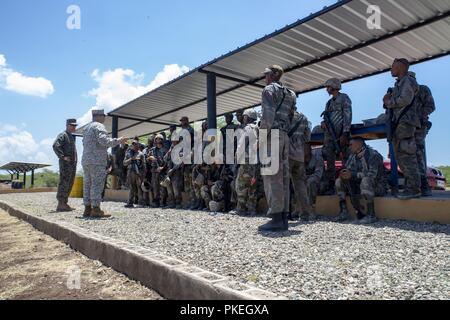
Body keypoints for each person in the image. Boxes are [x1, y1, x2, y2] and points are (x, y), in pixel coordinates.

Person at [258, 65, 296, 232]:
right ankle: (283, 218)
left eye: (266, 74)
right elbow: (291, 117)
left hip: (272, 135)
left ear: (273, 75)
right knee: (283, 177)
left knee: (271, 176)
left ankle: (275, 218)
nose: (265, 77)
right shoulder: (290, 93)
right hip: (285, 135)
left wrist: (261, 137)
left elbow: (267, 115)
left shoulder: (268, 90)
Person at [383, 58, 421, 200]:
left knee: (407, 156)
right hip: (399, 124)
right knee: (401, 157)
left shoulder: (407, 81)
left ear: (401, 67)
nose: (391, 69)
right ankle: (411, 187)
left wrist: (389, 102)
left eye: (393, 67)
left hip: (405, 123)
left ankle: (414, 189)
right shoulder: (399, 83)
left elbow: (405, 99)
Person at [82, 109, 128, 217]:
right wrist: (119, 140)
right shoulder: (99, 126)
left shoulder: (86, 128)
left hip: (86, 160)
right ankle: (96, 209)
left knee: (87, 185)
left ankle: (87, 209)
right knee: (97, 185)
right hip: (96, 161)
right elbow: (104, 141)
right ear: (98, 116)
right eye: (103, 115)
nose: (104, 118)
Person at [335, 137, 387, 224]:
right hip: (359, 186)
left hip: (376, 186)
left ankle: (371, 215)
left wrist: (353, 175)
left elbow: (372, 175)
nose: (349, 147)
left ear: (359, 144)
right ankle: (343, 212)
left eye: (351, 145)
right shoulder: (353, 156)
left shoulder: (373, 155)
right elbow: (348, 170)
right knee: (339, 181)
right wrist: (344, 174)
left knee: (366, 180)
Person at [321, 78, 352, 195]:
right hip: (329, 135)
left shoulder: (344, 98)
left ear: (334, 86)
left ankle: (348, 184)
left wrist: (345, 132)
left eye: (328, 87)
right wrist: (323, 123)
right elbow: (326, 118)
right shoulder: (328, 103)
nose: (327, 89)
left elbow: (347, 115)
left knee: (346, 158)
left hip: (341, 133)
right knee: (329, 160)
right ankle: (331, 184)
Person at [409, 72, 436, 197]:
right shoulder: (400, 92)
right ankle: (412, 184)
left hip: (419, 127)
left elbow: (431, 106)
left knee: (418, 153)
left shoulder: (423, 89)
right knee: (407, 156)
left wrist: (419, 116)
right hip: (404, 128)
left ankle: (424, 184)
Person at [231, 109, 260, 216]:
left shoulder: (248, 128)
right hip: (256, 162)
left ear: (248, 117)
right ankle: (252, 209)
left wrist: (237, 158)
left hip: (247, 161)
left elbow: (241, 145)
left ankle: (241, 209)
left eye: (244, 116)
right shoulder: (259, 128)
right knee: (253, 185)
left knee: (241, 185)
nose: (243, 118)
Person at [288, 111, 312, 221]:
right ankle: (305, 214)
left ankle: (283, 214)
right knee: (301, 185)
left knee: (283, 184)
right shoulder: (304, 117)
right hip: (299, 155)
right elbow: (307, 138)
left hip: (286, 154)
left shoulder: (284, 115)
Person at [53, 118, 78, 212]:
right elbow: (55, 145)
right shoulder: (63, 135)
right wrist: (62, 157)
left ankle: (64, 203)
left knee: (69, 183)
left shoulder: (71, 136)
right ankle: (61, 203)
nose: (74, 127)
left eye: (75, 126)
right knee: (64, 182)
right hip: (66, 164)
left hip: (71, 164)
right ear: (67, 126)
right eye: (72, 125)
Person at [123, 140, 145, 208]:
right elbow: (124, 163)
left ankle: (141, 202)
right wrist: (131, 159)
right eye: (133, 144)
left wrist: (143, 174)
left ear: (138, 145)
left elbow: (144, 165)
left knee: (139, 187)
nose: (134, 145)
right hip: (130, 172)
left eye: (136, 144)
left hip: (138, 173)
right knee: (131, 188)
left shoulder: (141, 154)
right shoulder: (128, 153)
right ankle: (130, 202)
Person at [148, 134, 168, 207]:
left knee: (163, 187)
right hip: (154, 171)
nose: (158, 140)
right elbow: (147, 160)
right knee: (155, 187)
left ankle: (163, 202)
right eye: (157, 139)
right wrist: (150, 158)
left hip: (163, 170)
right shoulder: (152, 150)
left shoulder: (165, 150)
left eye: (160, 139)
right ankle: (156, 202)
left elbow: (167, 161)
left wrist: (162, 167)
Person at [304, 145, 324, 215]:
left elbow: (318, 175)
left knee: (310, 182)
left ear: (309, 150)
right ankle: (297, 208)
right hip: (305, 182)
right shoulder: (299, 161)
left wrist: (306, 178)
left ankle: (311, 208)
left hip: (319, 184)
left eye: (304, 148)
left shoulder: (318, 159)